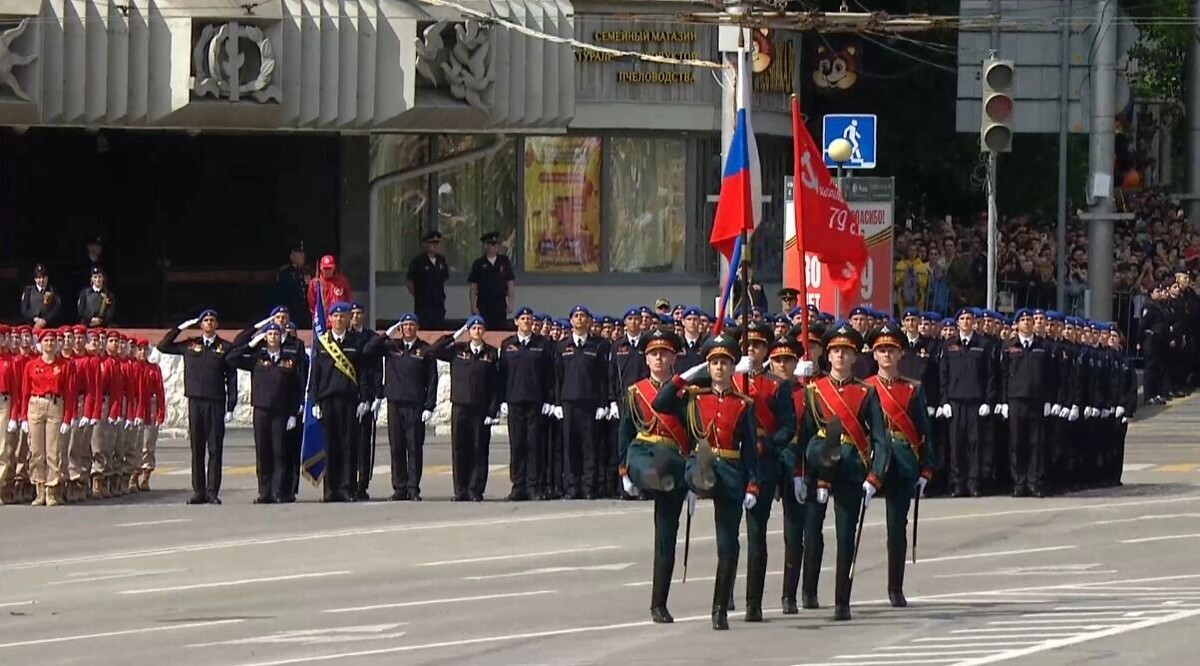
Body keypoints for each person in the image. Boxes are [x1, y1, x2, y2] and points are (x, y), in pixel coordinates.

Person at [652, 333, 759, 631]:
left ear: (733, 367)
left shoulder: (744, 404)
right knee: (700, 463)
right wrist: (685, 376)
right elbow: (660, 403)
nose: (719, 368)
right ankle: (698, 478)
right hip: (698, 464)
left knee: (728, 546)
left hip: (731, 472)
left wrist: (753, 483)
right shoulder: (692, 398)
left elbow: (749, 448)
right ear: (707, 368)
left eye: (725, 363)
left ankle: (720, 607)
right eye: (713, 363)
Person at [798, 323, 890, 621]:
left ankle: (842, 600)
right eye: (835, 351)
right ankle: (809, 591)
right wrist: (801, 473)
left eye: (846, 351)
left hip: (851, 468)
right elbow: (805, 435)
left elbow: (880, 439)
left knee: (846, 536)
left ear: (853, 357)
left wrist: (875, 476)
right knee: (812, 533)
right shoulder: (814, 390)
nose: (840, 356)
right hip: (818, 468)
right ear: (828, 355)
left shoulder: (865, 392)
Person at [617, 327, 689, 623]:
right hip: (643, 452)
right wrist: (623, 471)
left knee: (666, 539)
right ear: (646, 360)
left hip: (674, 462)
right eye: (653, 354)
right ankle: (645, 477)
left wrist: (695, 476)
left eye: (664, 353)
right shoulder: (636, 393)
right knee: (647, 460)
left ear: (674, 358)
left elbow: (695, 434)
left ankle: (659, 604)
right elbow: (625, 432)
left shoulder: (685, 393)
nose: (659, 358)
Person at [864, 322, 935, 608]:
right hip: (872, 459)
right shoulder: (866, 387)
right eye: (881, 350)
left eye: (891, 350)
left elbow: (924, 429)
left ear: (900, 354)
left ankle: (896, 586)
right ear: (874, 355)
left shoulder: (912, 389)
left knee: (897, 527)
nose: (886, 356)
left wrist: (926, 467)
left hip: (903, 459)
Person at [156, 310, 238, 504]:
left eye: (212, 320)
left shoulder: (225, 347)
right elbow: (163, 346)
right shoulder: (190, 344)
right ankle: (198, 491)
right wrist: (181, 327)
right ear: (200, 325)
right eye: (205, 321)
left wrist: (230, 407)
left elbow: (231, 378)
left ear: (216, 324)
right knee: (197, 448)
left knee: (215, 449)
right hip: (195, 401)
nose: (209, 323)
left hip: (216, 402)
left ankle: (212, 492)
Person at [228, 323, 304, 504]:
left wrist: (294, 413)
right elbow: (232, 358)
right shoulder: (257, 358)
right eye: (269, 334)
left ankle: (278, 492)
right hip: (261, 410)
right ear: (265, 337)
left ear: (280, 337)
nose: (272, 337)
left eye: (275, 334)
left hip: (281, 411)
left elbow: (296, 388)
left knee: (279, 451)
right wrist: (251, 344)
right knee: (263, 452)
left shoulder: (289, 360)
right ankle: (264, 491)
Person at [366, 313, 438, 501]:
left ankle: (413, 487)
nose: (408, 328)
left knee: (414, 447)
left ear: (417, 327)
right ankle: (399, 487)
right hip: (395, 403)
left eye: (411, 325)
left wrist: (429, 406)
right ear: (400, 328)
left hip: (415, 404)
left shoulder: (425, 350)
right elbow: (368, 350)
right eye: (404, 325)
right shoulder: (391, 347)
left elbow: (432, 380)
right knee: (396, 447)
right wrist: (385, 334)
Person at [431, 316, 500, 501]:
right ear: (468, 331)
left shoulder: (491, 353)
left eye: (480, 328)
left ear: (484, 331)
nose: (477, 331)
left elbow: (495, 385)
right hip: (460, 407)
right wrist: (455, 335)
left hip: (480, 408)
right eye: (473, 328)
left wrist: (492, 411)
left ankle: (475, 489)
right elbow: (434, 350)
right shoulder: (457, 350)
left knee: (479, 449)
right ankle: (460, 490)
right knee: (460, 449)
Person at [309, 302, 368, 502]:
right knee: (330, 446)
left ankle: (346, 488)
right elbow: (314, 375)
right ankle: (330, 490)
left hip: (349, 400)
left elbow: (363, 373)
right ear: (330, 319)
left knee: (348, 445)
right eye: (336, 316)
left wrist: (365, 398)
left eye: (343, 316)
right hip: (327, 400)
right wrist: (314, 401)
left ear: (348, 318)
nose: (340, 319)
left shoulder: (356, 342)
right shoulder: (321, 342)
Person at [938, 308, 998, 497]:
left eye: (968, 318)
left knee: (975, 444)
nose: (965, 321)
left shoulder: (983, 344)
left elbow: (990, 374)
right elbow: (943, 376)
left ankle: (973, 483)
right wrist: (944, 401)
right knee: (956, 445)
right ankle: (957, 483)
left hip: (975, 402)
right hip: (955, 402)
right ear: (957, 323)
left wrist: (988, 401)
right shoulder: (948, 346)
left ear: (974, 322)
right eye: (962, 319)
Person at [553, 305, 611, 499]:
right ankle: (572, 487)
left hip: (590, 403)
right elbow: (557, 377)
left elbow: (603, 376)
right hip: (568, 402)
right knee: (570, 447)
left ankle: (588, 487)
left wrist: (604, 403)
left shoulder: (598, 345)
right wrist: (556, 403)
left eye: (583, 316)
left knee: (589, 447)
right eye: (576, 316)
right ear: (571, 321)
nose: (579, 319)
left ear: (588, 321)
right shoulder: (562, 346)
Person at [498, 307, 555, 501]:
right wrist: (502, 399)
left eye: (529, 318)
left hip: (535, 401)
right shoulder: (508, 345)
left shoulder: (543, 344)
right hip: (514, 400)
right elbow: (502, 374)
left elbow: (550, 374)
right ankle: (518, 486)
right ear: (516, 322)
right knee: (517, 445)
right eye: (522, 318)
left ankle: (533, 486)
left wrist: (549, 400)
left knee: (534, 445)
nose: (526, 321)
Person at [999, 309, 1057, 498]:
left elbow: (1050, 376)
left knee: (1036, 443)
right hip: (1016, 399)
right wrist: (1004, 401)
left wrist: (1049, 400)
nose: (1026, 323)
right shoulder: (1009, 347)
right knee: (1017, 443)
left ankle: (1034, 482)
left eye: (1029, 320)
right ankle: (1019, 482)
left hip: (1037, 399)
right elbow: (1004, 375)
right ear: (1016, 325)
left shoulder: (1043, 347)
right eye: (1023, 320)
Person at [17, 328, 76, 506]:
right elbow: (25, 392)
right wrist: (22, 417)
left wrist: (67, 418)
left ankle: (52, 490)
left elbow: (70, 393)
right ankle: (39, 490)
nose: (49, 344)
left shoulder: (64, 365)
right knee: (36, 451)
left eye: (52, 341)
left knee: (53, 450)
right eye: (46, 341)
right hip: (35, 405)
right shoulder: (32, 365)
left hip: (55, 405)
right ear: (40, 344)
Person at [348, 302, 379, 500]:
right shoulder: (345, 338)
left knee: (364, 443)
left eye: (359, 313)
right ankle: (348, 482)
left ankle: (362, 484)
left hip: (366, 396)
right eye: (353, 313)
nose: (356, 316)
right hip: (349, 396)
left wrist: (376, 396)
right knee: (348, 442)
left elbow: (376, 369)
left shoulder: (371, 338)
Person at [133, 339, 165, 492]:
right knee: (134, 444)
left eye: (145, 350)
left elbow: (159, 392)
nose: (142, 352)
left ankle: (146, 476)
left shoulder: (154, 369)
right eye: (139, 349)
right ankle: (132, 476)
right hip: (134, 407)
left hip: (150, 407)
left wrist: (160, 412)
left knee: (148, 444)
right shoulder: (132, 368)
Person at [468, 232, 515, 330]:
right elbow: (473, 286)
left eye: (497, 244)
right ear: (486, 246)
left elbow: (510, 283)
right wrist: (473, 305)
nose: (496, 246)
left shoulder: (504, 261)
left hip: (500, 304)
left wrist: (510, 303)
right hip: (484, 304)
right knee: (484, 330)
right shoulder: (478, 264)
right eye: (493, 244)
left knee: (500, 330)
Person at [407, 230, 451, 330]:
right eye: (432, 243)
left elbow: (443, 279)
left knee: (438, 329)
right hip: (423, 305)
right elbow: (409, 283)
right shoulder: (418, 262)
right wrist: (419, 295)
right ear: (425, 244)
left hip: (438, 303)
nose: (435, 246)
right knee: (424, 330)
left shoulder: (441, 260)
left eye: (437, 243)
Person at [275, 241, 313, 329]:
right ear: (292, 255)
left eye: (303, 253)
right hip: (293, 313)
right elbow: (283, 295)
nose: (302, 256)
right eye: (299, 253)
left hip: (306, 314)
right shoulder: (285, 273)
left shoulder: (307, 271)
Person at [21, 264, 62, 329]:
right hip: (32, 326)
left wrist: (45, 320)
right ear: (35, 279)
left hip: (49, 327)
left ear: (47, 278)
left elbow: (57, 308)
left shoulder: (53, 290)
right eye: (39, 277)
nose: (42, 280)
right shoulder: (28, 291)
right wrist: (35, 319)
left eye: (44, 277)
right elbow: (24, 310)